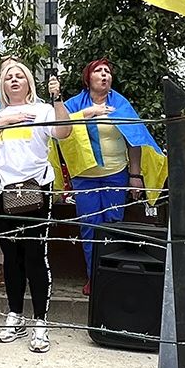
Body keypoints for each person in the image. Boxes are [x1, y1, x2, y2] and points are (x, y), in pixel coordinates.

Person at [0, 57, 72, 352]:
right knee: (11, 256)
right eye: (8, 77)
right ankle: (14, 315)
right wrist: (4, 121)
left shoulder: (42, 110)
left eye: (19, 76)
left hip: (36, 189)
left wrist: (57, 99)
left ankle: (40, 322)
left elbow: (64, 132)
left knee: (34, 254)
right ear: (2, 85)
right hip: (3, 191)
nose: (14, 80)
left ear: (29, 81)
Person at [58, 59, 155, 293]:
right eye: (99, 71)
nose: (105, 75)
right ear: (88, 78)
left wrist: (135, 175)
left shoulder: (121, 104)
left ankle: (111, 275)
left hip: (116, 175)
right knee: (90, 227)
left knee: (113, 226)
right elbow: (60, 131)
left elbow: (135, 139)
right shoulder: (73, 104)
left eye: (108, 72)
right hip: (85, 176)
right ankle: (95, 277)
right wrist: (88, 113)